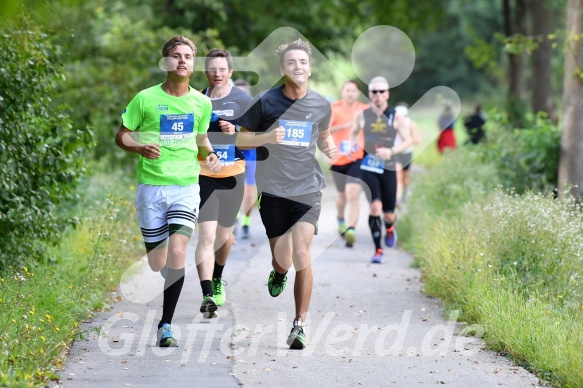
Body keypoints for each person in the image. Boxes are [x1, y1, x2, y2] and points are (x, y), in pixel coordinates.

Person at [115, 35, 221, 347]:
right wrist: (138, 147)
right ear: (166, 62)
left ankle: (166, 324)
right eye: (176, 55)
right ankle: (167, 284)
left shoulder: (202, 103)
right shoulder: (145, 99)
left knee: (178, 251)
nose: (183, 60)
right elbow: (122, 136)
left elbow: (201, 140)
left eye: (188, 56)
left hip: (186, 187)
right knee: (157, 263)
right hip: (151, 188)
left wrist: (210, 156)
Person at [237, 38, 338, 349]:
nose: (298, 67)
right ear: (283, 69)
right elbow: (241, 142)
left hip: (308, 189)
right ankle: (278, 273)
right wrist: (267, 136)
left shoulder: (321, 103)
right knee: (282, 261)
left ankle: (299, 324)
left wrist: (328, 147)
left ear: (310, 68)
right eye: (292, 63)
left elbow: (323, 135)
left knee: (302, 254)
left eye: (303, 63)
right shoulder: (265, 102)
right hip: (274, 191)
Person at [194, 49, 253, 317]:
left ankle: (218, 277)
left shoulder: (243, 99)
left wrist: (237, 130)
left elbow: (257, 136)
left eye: (222, 69)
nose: (217, 74)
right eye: (212, 69)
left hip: (233, 173)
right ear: (205, 72)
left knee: (223, 237)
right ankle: (208, 293)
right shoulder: (196, 99)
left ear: (230, 72)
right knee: (206, 235)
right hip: (203, 173)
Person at [350, 76, 412, 264]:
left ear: (387, 94)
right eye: (374, 91)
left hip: (389, 167)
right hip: (368, 166)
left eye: (381, 91)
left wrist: (391, 150)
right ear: (369, 94)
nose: (377, 95)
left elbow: (408, 140)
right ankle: (378, 250)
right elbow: (353, 133)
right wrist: (352, 147)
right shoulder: (362, 115)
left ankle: (390, 228)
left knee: (389, 213)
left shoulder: (396, 117)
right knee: (375, 206)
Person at [328, 80, 369, 247]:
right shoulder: (334, 108)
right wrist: (347, 126)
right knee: (342, 195)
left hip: (357, 157)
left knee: (353, 192)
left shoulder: (365, 110)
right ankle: (340, 218)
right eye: (347, 90)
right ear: (342, 92)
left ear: (358, 93)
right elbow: (324, 130)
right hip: (337, 158)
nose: (350, 93)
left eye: (353, 91)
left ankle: (351, 230)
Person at [233, 79, 257, 239]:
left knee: (249, 192)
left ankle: (246, 221)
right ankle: (234, 218)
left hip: (251, 154)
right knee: (234, 190)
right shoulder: (228, 110)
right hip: (233, 153)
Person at [393, 102, 421, 205]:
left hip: (407, 153)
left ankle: (405, 193)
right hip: (395, 152)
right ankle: (397, 199)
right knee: (397, 175)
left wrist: (406, 139)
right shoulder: (392, 124)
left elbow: (417, 140)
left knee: (405, 177)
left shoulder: (411, 124)